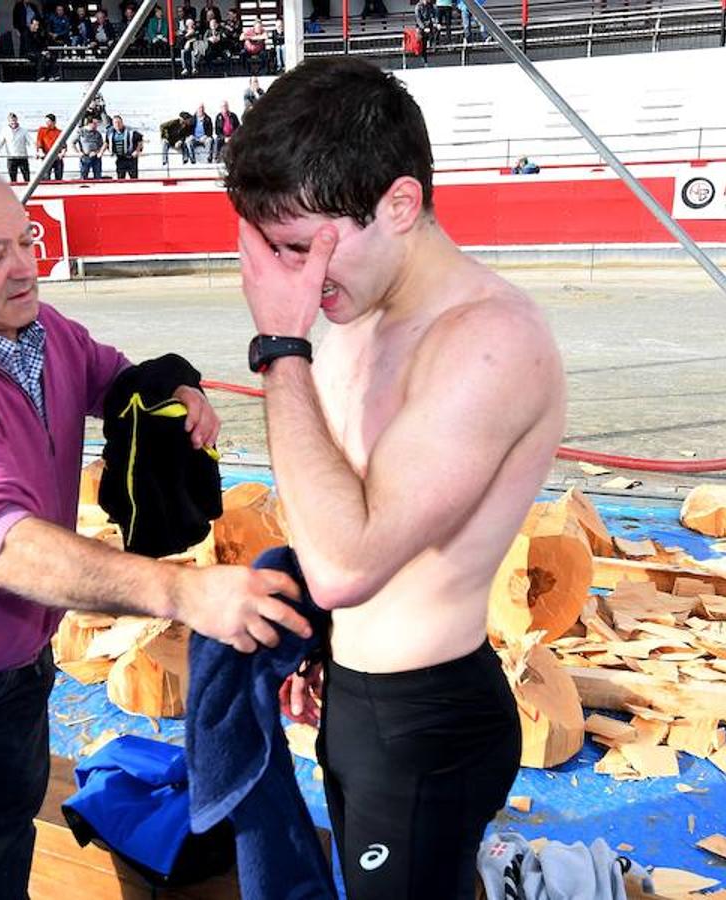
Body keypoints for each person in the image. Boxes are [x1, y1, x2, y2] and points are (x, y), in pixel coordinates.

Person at [0, 156, 310, 900]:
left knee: (6, 823)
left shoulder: (36, 330)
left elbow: (108, 374)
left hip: (17, 650)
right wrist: (182, 591)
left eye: (26, 238)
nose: (24, 267)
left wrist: (169, 387)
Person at [222, 58, 565, 899]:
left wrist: (278, 349)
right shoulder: (358, 316)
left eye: (301, 249)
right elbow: (328, 519)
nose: (296, 282)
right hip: (360, 697)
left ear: (400, 205)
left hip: (427, 725)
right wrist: (319, 645)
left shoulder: (490, 342)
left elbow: (349, 563)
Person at [0, 112, 31, 182]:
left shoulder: (23, 131)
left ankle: (29, 191)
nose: (13, 122)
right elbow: (0, 142)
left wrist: (36, 152)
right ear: (9, 121)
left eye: (14, 120)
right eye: (11, 121)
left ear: (17, 120)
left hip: (22, 157)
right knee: (13, 179)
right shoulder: (5, 131)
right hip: (11, 158)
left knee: (27, 178)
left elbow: (30, 142)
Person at [107, 114, 142, 179]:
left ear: (122, 122)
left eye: (119, 122)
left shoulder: (131, 131)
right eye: (115, 123)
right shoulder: (110, 132)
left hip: (131, 158)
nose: (117, 124)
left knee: (133, 178)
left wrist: (137, 151)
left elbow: (140, 140)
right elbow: (106, 142)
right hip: (120, 158)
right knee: (120, 178)